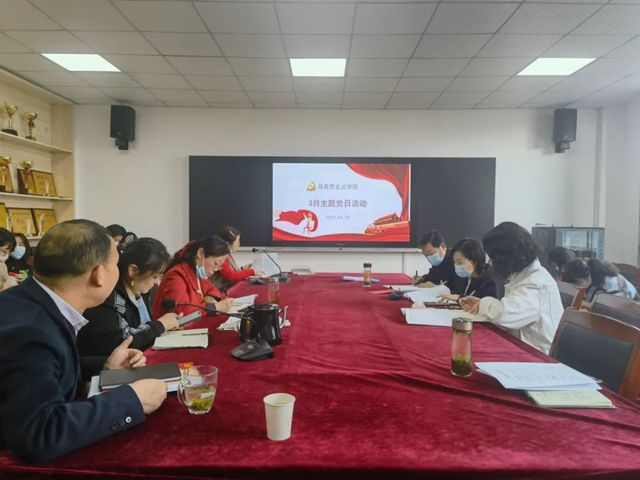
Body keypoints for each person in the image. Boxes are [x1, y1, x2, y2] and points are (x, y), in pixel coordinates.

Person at [0, 220, 167, 463]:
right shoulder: (30, 331)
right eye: (115, 264)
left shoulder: (27, 300)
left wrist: (104, 367)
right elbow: (40, 433)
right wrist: (132, 400)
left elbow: (48, 368)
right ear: (99, 274)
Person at [459, 222, 563, 355]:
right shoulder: (524, 274)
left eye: (494, 258)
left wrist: (484, 303)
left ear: (506, 256)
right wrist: (480, 303)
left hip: (538, 356)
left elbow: (504, 315)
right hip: (521, 346)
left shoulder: (536, 283)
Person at [78, 238, 180, 356]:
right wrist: (160, 325)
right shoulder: (109, 297)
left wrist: (165, 327)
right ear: (133, 270)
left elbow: (144, 329)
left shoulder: (141, 292)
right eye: (155, 276)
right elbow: (122, 343)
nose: (157, 283)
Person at [152, 235, 234, 318]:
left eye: (219, 266)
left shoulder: (198, 274)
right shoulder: (177, 275)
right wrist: (215, 307)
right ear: (200, 253)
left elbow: (212, 289)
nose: (216, 269)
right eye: (216, 263)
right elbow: (181, 313)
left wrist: (210, 298)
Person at [438, 238, 503, 302]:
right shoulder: (465, 277)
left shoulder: (491, 282)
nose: (456, 266)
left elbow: (486, 304)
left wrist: (459, 298)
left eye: (459, 262)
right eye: (454, 262)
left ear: (474, 262)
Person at [213, 226, 263, 292]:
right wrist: (251, 272)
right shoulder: (220, 256)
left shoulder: (228, 255)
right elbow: (230, 276)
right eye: (237, 242)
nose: (239, 244)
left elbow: (232, 272)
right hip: (220, 292)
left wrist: (243, 269)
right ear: (227, 243)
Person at [565, 259, 639, 302]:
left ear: (580, 278)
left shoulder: (604, 283)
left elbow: (593, 304)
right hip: (622, 297)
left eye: (578, 282)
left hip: (630, 303)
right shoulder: (594, 268)